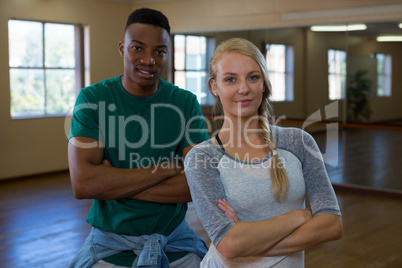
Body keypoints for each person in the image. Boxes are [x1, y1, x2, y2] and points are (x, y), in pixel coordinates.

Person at [68, 8, 210, 268]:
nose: (149, 60)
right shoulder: (92, 100)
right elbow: (83, 184)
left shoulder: (184, 102)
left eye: (159, 51)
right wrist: (165, 170)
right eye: (138, 48)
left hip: (175, 245)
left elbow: (199, 185)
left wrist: (113, 183)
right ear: (122, 48)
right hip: (109, 248)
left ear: (168, 53)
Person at [184, 38, 343, 267]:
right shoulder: (202, 158)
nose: (243, 89)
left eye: (253, 77)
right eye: (230, 79)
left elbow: (332, 225)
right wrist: (299, 216)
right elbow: (228, 245)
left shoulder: (298, 142)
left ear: (264, 84)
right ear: (214, 87)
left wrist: (248, 241)